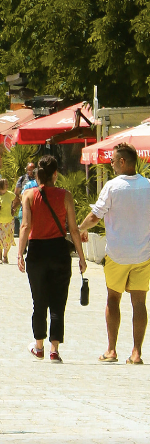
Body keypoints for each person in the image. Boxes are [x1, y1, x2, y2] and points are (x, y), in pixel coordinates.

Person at [79, 142, 150, 364]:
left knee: (113, 299)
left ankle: (111, 350)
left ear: (122, 161)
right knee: (139, 303)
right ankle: (136, 353)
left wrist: (79, 229)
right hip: (143, 254)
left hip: (117, 254)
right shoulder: (148, 185)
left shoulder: (112, 187)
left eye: (112, 160)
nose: (110, 164)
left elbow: (95, 216)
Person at [18, 155, 86, 363]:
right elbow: (73, 229)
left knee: (39, 302)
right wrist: (81, 257)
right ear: (55, 174)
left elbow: (25, 226)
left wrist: (20, 253)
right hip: (59, 251)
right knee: (58, 302)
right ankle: (54, 350)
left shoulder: (28, 195)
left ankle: (38, 346)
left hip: (37, 251)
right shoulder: (65, 196)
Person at [14, 162, 37, 236]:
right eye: (29, 170)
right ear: (26, 170)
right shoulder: (22, 179)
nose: (31, 172)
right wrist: (14, 207)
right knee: (24, 227)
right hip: (24, 206)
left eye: (32, 170)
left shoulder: (39, 179)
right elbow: (16, 193)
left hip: (36, 207)